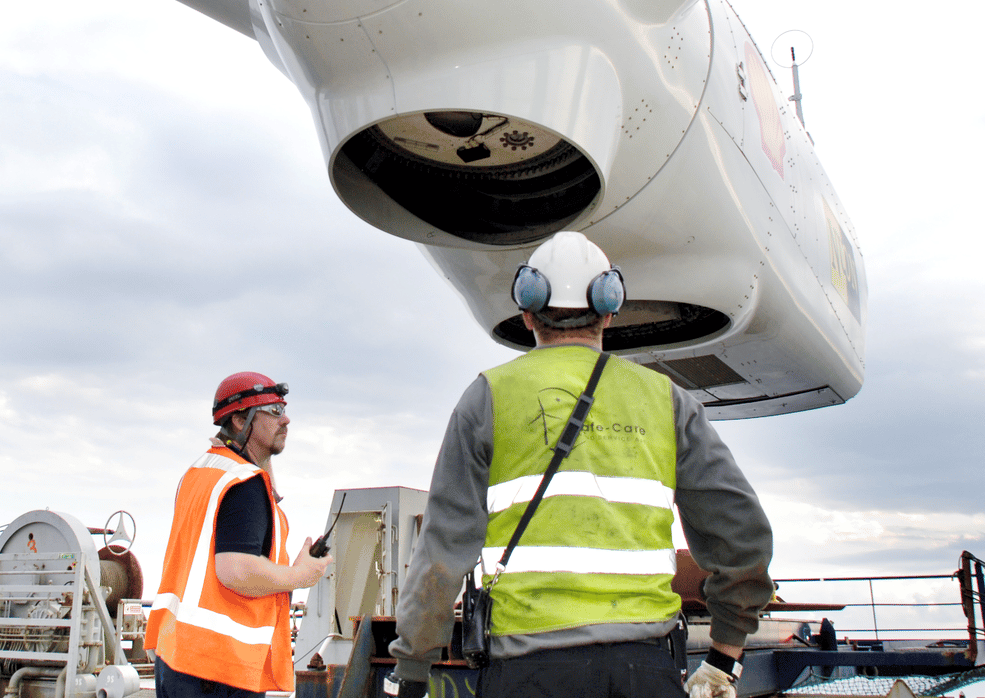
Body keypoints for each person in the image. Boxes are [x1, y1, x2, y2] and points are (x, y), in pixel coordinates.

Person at [386, 231, 774, 698]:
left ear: (526, 310)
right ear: (610, 308)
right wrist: (723, 656)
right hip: (645, 668)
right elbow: (741, 534)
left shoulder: (487, 398)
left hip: (526, 671)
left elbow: (442, 554)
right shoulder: (666, 401)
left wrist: (412, 668)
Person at [145, 372, 334, 697]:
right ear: (238, 420)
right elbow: (236, 570)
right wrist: (300, 576)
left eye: (284, 409)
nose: (285, 419)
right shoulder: (244, 485)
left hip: (177, 656)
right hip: (218, 668)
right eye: (273, 411)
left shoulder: (202, 472)